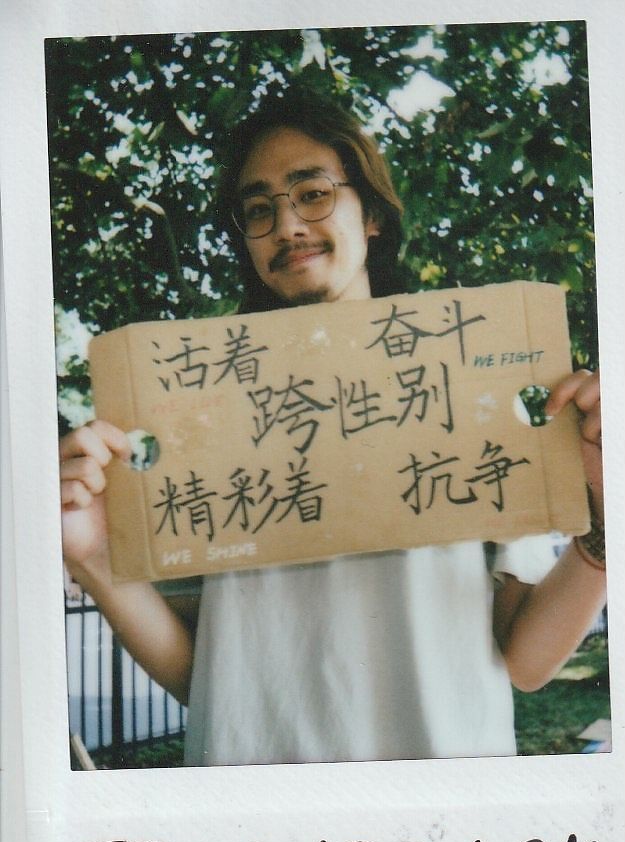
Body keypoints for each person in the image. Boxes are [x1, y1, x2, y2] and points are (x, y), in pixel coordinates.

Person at [60, 91, 607, 767]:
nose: (286, 223)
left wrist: (606, 510)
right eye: (258, 209)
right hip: (258, 830)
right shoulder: (197, 415)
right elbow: (204, 677)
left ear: (371, 212)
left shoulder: (472, 380)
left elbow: (526, 662)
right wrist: (89, 554)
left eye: (312, 193)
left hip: (437, 828)